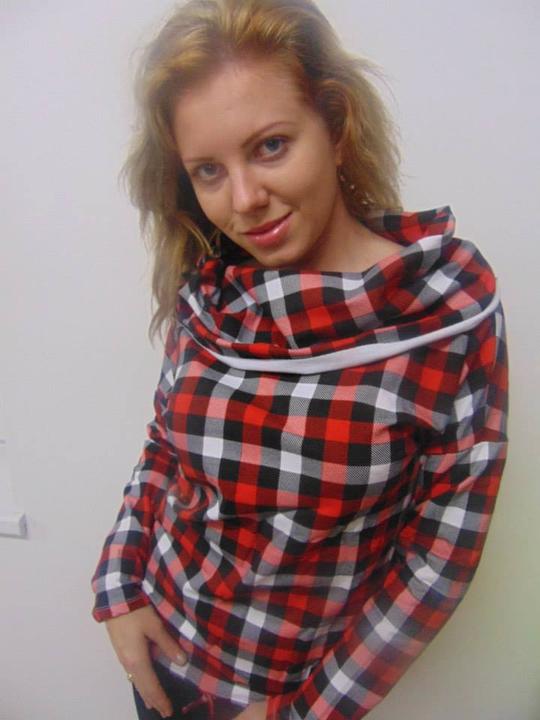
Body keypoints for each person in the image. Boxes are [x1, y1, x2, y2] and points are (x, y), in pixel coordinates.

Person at [91, 1, 509, 718]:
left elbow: (439, 554)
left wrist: (307, 712)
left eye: (271, 146)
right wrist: (119, 584)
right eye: (208, 170)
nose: (245, 200)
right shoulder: (213, 292)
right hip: (163, 658)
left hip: (288, 696)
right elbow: (165, 444)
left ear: (337, 128)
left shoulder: (441, 315)